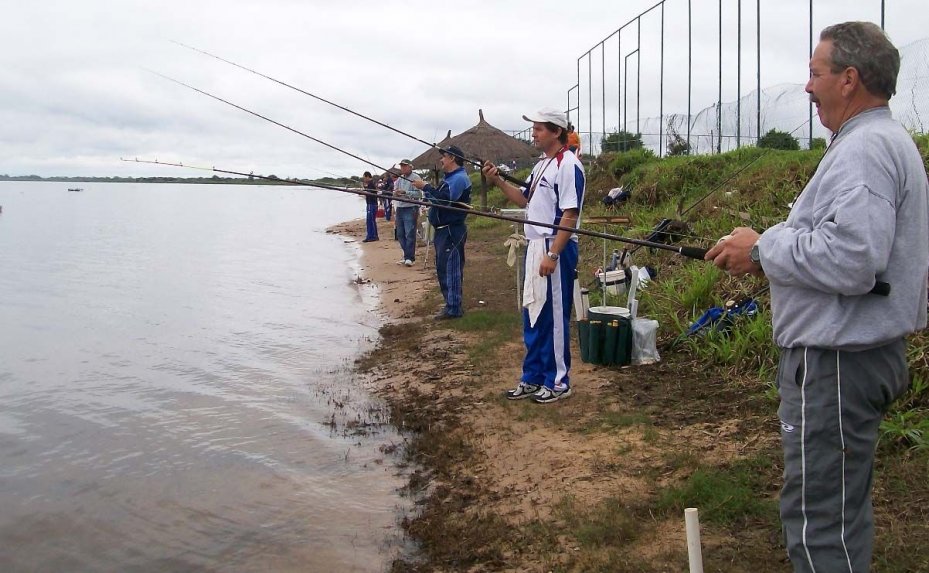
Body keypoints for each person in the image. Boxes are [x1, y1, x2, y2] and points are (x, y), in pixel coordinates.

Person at [705, 22, 928, 572]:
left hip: (836, 364)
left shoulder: (866, 150)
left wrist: (763, 249)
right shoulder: (881, 142)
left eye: (814, 73)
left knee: (820, 520)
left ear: (849, 79)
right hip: (856, 357)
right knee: (842, 509)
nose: (806, 87)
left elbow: (854, 259)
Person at [483, 108, 586, 404]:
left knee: (554, 317)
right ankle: (532, 377)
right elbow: (525, 198)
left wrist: (553, 254)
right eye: (534, 128)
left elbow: (570, 214)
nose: (533, 133)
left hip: (555, 246)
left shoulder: (568, 165)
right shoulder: (542, 164)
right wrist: (498, 181)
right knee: (533, 313)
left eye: (539, 128)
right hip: (536, 245)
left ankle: (557, 381)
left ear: (556, 131)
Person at [413, 145, 471, 319]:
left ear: (452, 158)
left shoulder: (459, 178)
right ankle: (450, 304)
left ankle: (454, 308)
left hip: (451, 231)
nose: (441, 159)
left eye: (444, 156)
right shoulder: (450, 178)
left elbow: (443, 201)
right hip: (442, 231)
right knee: (442, 268)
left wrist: (425, 187)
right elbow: (438, 198)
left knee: (451, 268)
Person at [394, 159, 423, 266]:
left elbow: (419, 194)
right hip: (400, 208)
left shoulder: (415, 178)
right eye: (401, 166)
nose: (403, 168)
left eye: (405, 166)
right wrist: (396, 193)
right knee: (400, 234)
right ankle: (407, 255)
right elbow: (394, 191)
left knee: (409, 233)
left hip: (411, 208)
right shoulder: (399, 180)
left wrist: (405, 192)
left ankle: (410, 258)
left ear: (411, 167)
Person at [362, 171, 378, 242]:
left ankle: (371, 236)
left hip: (371, 204)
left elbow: (370, 193)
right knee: (372, 221)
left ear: (368, 176)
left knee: (370, 221)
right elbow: (369, 191)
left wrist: (363, 192)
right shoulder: (370, 184)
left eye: (364, 178)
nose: (364, 179)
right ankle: (374, 236)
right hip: (371, 204)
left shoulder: (371, 184)